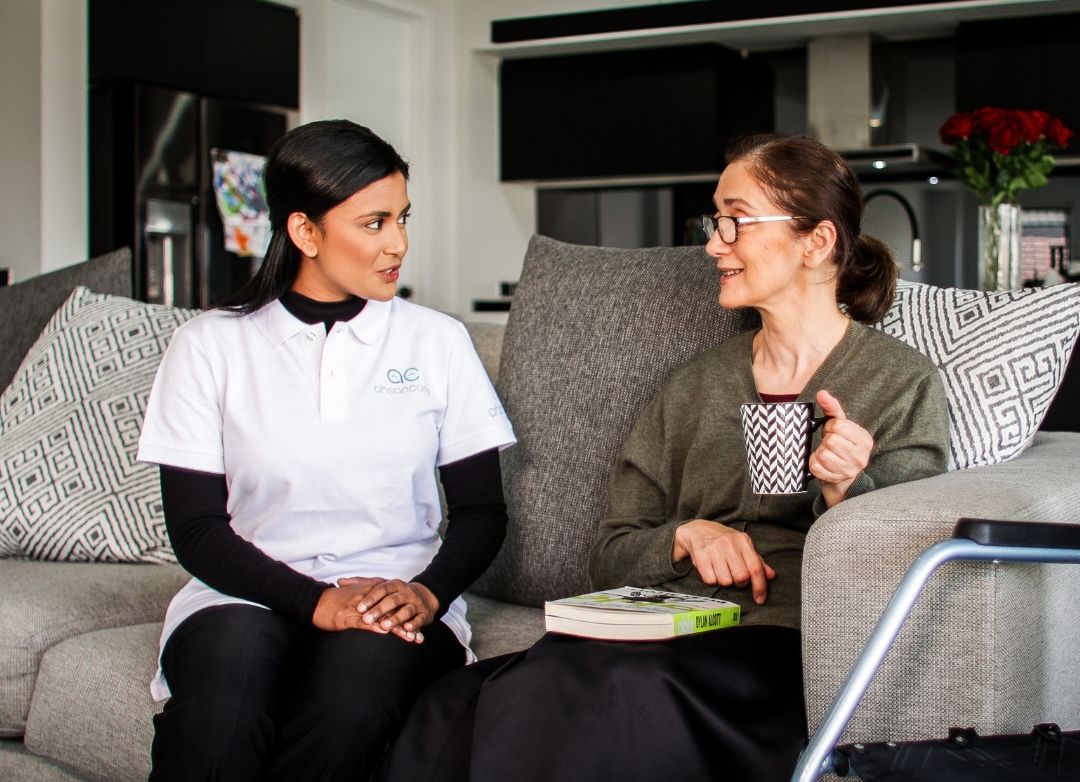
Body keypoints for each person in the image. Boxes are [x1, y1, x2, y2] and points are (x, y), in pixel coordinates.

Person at [377, 133, 950, 782]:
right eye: (714, 221)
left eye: (734, 221)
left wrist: (850, 488)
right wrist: (684, 536)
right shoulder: (695, 385)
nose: (712, 244)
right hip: (658, 622)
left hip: (781, 641)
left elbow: (914, 568)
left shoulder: (898, 382)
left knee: (612, 692)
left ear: (816, 242)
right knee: (457, 702)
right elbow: (611, 548)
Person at [136, 119, 516, 781]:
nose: (398, 242)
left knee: (351, 702)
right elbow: (195, 529)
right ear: (305, 231)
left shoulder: (437, 341)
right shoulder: (209, 346)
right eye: (373, 223)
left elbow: (483, 511)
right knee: (223, 697)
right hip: (242, 593)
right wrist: (318, 604)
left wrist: (427, 595)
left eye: (403, 217)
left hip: (393, 591)